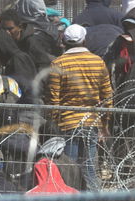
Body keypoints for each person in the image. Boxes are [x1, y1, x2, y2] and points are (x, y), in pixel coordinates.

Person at [46, 23, 113, 190]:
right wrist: (104, 124)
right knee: (90, 169)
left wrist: (56, 122)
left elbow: (54, 99)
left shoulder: (58, 64)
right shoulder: (98, 62)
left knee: (70, 169)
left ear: (64, 41)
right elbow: (107, 96)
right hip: (91, 123)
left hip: (68, 124)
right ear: (84, 41)